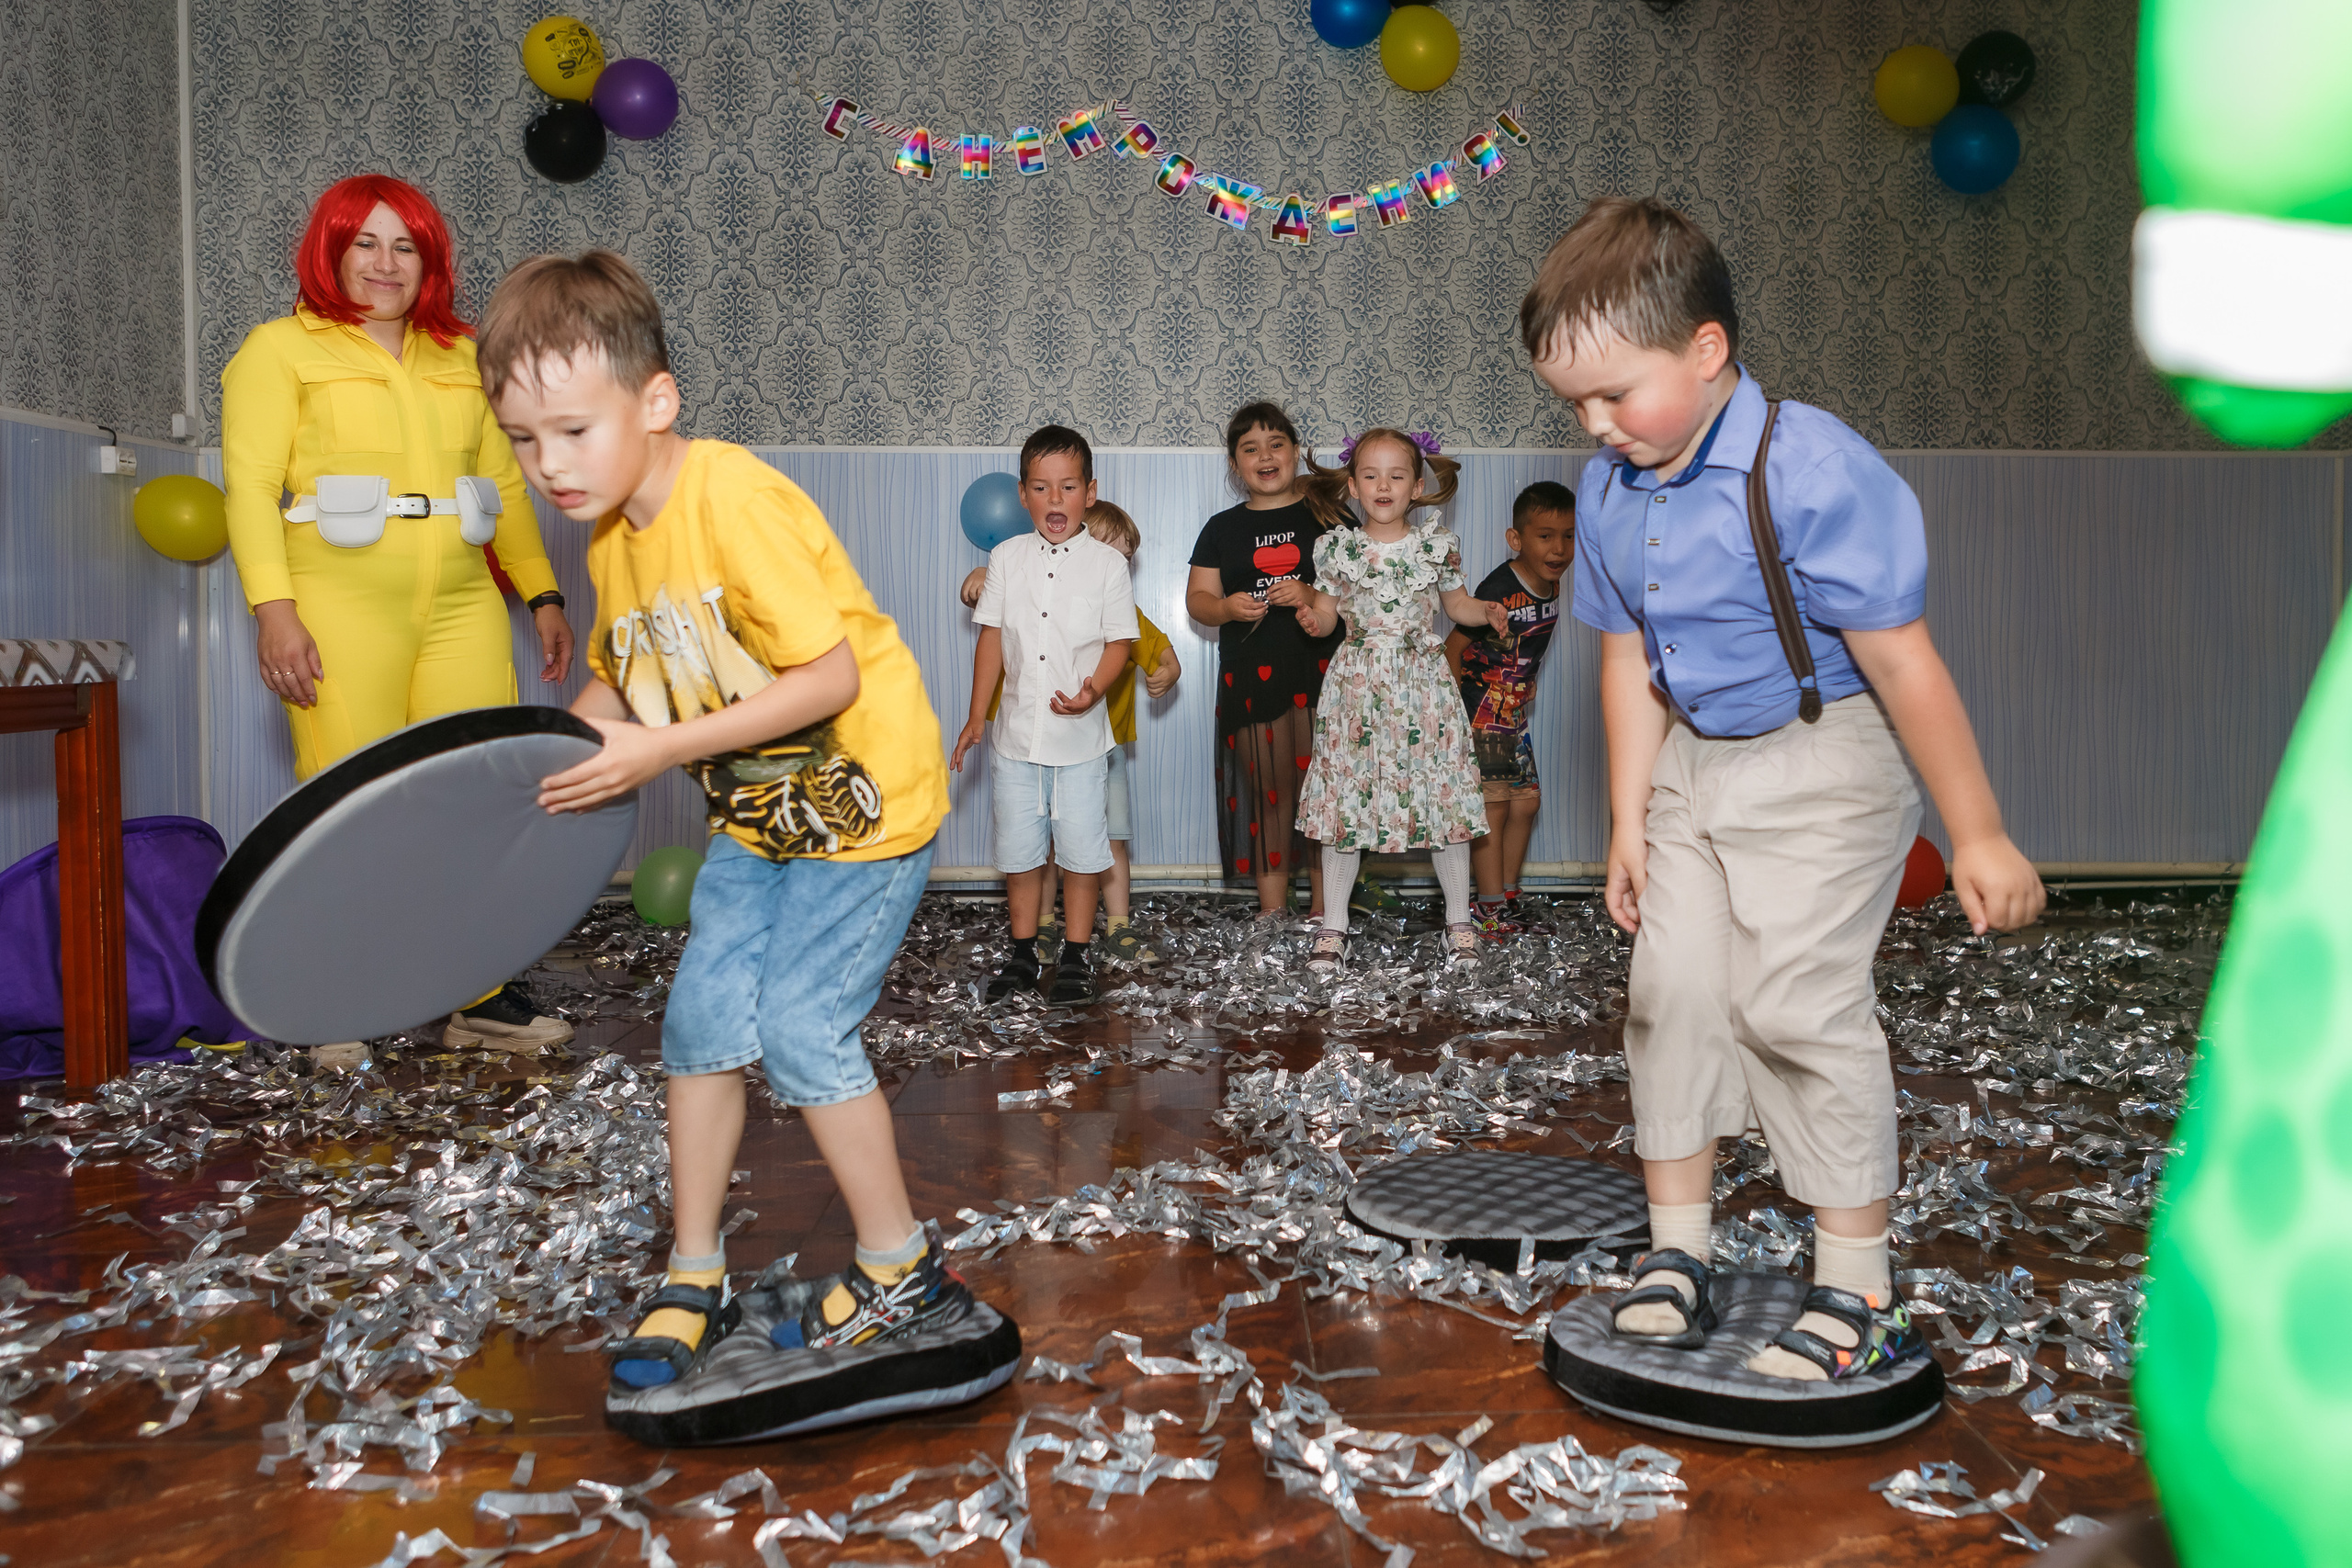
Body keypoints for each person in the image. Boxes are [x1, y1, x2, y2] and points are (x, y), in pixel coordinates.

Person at [1520, 197, 2043, 1382]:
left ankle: (1859, 1290)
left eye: (1615, 394)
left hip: (1824, 757)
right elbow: (1622, 659)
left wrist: (1980, 833)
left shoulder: (1807, 467)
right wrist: (1628, 822)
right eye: (1574, 406)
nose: (1595, 427)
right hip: (1692, 764)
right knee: (1676, 989)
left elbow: (1902, 659)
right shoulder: (1609, 491)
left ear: (1705, 352)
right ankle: (1677, 1251)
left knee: (1797, 1006)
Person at [476, 249, 973, 1383]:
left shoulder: (732, 496)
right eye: (521, 439)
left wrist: (655, 751)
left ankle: (902, 1267)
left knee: (802, 1031)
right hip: (757, 816)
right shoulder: (612, 532)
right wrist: (559, 750)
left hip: (863, 804)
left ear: (655, 403)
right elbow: (629, 673)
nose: (546, 465)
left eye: (570, 430)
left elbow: (827, 681)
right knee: (699, 1026)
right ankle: (692, 1270)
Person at [220, 173, 579, 1063]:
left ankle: (483, 996)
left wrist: (540, 593)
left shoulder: (462, 358)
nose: (385, 263)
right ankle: (326, 996)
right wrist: (275, 611)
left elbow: (501, 484)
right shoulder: (277, 351)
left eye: (405, 246)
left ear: (430, 261)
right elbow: (252, 492)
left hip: (460, 598)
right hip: (336, 601)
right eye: (366, 243)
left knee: (476, 797)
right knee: (345, 806)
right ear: (332, 250)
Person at [1292, 431, 1508, 969]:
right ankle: (1334, 928)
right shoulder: (1337, 548)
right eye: (1370, 475)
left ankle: (1459, 921)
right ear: (1351, 486)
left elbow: (1458, 607)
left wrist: (1488, 613)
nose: (1382, 485)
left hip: (1422, 687)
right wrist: (1311, 617)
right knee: (1346, 799)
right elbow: (1324, 618)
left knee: (1443, 799)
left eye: (1396, 475)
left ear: (1416, 487)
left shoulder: (1436, 545)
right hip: (1357, 688)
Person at [951, 428, 1138, 1006]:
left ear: (1089, 492)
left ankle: (1078, 956)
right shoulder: (1005, 558)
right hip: (1014, 738)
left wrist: (1092, 692)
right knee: (1020, 851)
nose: (1055, 500)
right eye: (1041, 488)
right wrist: (977, 715)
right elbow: (990, 642)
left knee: (1082, 852)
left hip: (1081, 740)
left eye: (1068, 487)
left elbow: (1119, 645)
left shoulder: (1108, 566)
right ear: (1023, 495)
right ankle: (1023, 952)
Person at [958, 501, 1179, 966]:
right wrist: (980, 572)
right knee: (1041, 844)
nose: (1113, 568)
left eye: (1125, 561)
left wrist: (1169, 669)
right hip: (1032, 745)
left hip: (1102, 747)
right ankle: (1042, 927)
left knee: (1106, 841)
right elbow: (1003, 614)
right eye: (1108, 554)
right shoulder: (1028, 576)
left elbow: (1156, 647)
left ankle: (1116, 925)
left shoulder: (1124, 610)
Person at [1184, 403, 1347, 919]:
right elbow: (1198, 600)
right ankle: (1272, 914)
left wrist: (1309, 592)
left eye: (1276, 444)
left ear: (1296, 452)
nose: (1265, 456)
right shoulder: (1220, 528)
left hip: (1322, 674)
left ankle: (1327, 916)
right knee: (1271, 794)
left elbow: (1358, 593)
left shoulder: (1331, 518)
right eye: (1250, 449)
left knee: (1324, 795)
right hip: (1253, 678)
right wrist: (1226, 607)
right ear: (1235, 466)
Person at [1444, 481, 1576, 932]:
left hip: (1512, 712)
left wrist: (1527, 681)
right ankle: (1488, 905)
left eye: (1568, 535)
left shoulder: (1551, 585)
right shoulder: (1500, 588)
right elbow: (1454, 647)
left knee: (1527, 804)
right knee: (1493, 807)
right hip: (1482, 712)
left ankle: (1507, 895)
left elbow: (1524, 646)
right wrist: (1452, 712)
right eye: (1545, 536)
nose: (1559, 548)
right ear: (1515, 540)